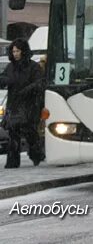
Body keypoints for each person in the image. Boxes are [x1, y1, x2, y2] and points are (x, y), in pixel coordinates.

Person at [1, 38, 45, 168]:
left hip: (29, 105)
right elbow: (3, 78)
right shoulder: (11, 67)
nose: (15, 54)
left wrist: (27, 90)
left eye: (18, 51)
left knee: (30, 132)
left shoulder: (33, 67)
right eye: (13, 51)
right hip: (14, 105)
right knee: (13, 133)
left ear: (23, 51)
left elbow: (39, 83)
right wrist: (6, 81)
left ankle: (36, 153)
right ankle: (12, 161)